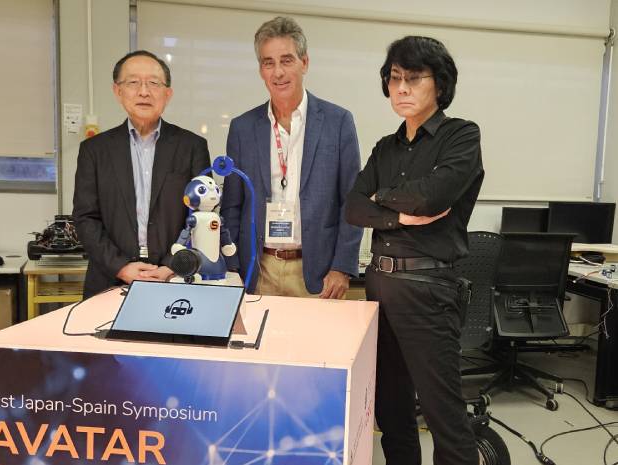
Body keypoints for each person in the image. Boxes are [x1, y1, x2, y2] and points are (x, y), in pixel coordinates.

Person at [345, 36, 484, 465]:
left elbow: (432, 197)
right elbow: (353, 207)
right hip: (379, 286)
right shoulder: (385, 148)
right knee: (391, 410)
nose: (401, 88)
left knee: (444, 416)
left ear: (439, 84)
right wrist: (400, 216)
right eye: (394, 78)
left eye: (414, 78)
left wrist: (381, 198)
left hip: (428, 289)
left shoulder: (461, 135)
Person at [221, 16, 362, 299]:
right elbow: (232, 206)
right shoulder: (242, 128)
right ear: (261, 70)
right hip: (258, 271)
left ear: (304, 63)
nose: (278, 72)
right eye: (268, 63)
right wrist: (232, 267)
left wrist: (342, 267)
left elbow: (352, 201)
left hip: (319, 274)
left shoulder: (338, 122)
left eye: (286, 61)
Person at [73, 50, 210, 298]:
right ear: (118, 91)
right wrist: (121, 267)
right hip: (109, 280)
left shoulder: (192, 147)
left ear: (168, 94)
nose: (144, 92)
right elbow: (85, 218)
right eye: (133, 82)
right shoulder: (94, 150)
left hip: (175, 279)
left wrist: (171, 265)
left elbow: (202, 215)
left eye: (154, 83)